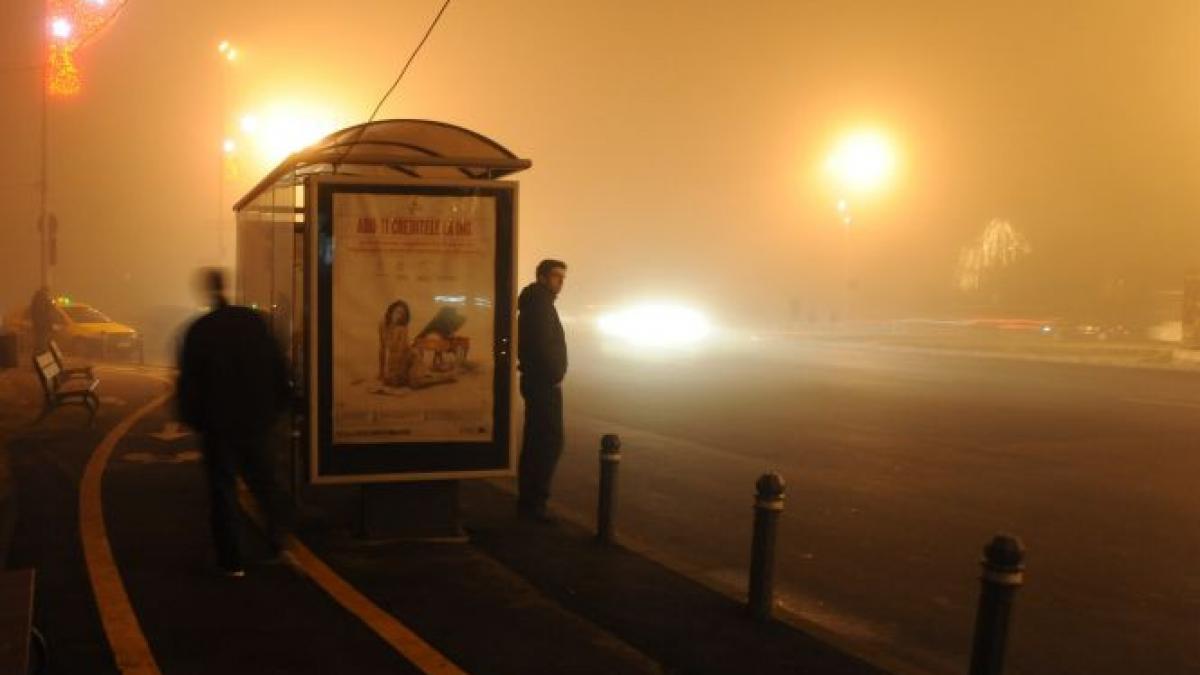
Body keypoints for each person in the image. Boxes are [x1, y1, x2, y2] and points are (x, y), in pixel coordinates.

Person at [177, 269, 292, 577]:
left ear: (206, 291)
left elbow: (189, 381)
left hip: (218, 425)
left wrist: (193, 419)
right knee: (265, 484)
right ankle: (276, 544)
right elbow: (278, 365)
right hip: (257, 419)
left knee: (223, 490)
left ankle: (232, 561)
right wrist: (280, 406)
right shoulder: (254, 322)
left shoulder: (200, 329)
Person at [516, 259, 568, 522]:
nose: (561, 282)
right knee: (548, 442)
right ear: (542, 277)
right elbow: (541, 346)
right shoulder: (539, 305)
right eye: (556, 276)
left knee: (537, 440)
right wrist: (554, 374)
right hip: (543, 383)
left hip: (537, 380)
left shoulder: (538, 302)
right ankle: (535, 503)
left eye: (563, 278)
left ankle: (530, 499)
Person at [29, 286, 56, 353]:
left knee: (39, 339)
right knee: (42, 339)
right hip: (42, 323)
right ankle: (41, 352)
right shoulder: (42, 298)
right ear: (45, 291)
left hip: (38, 323)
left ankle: (39, 352)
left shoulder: (37, 298)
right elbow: (44, 311)